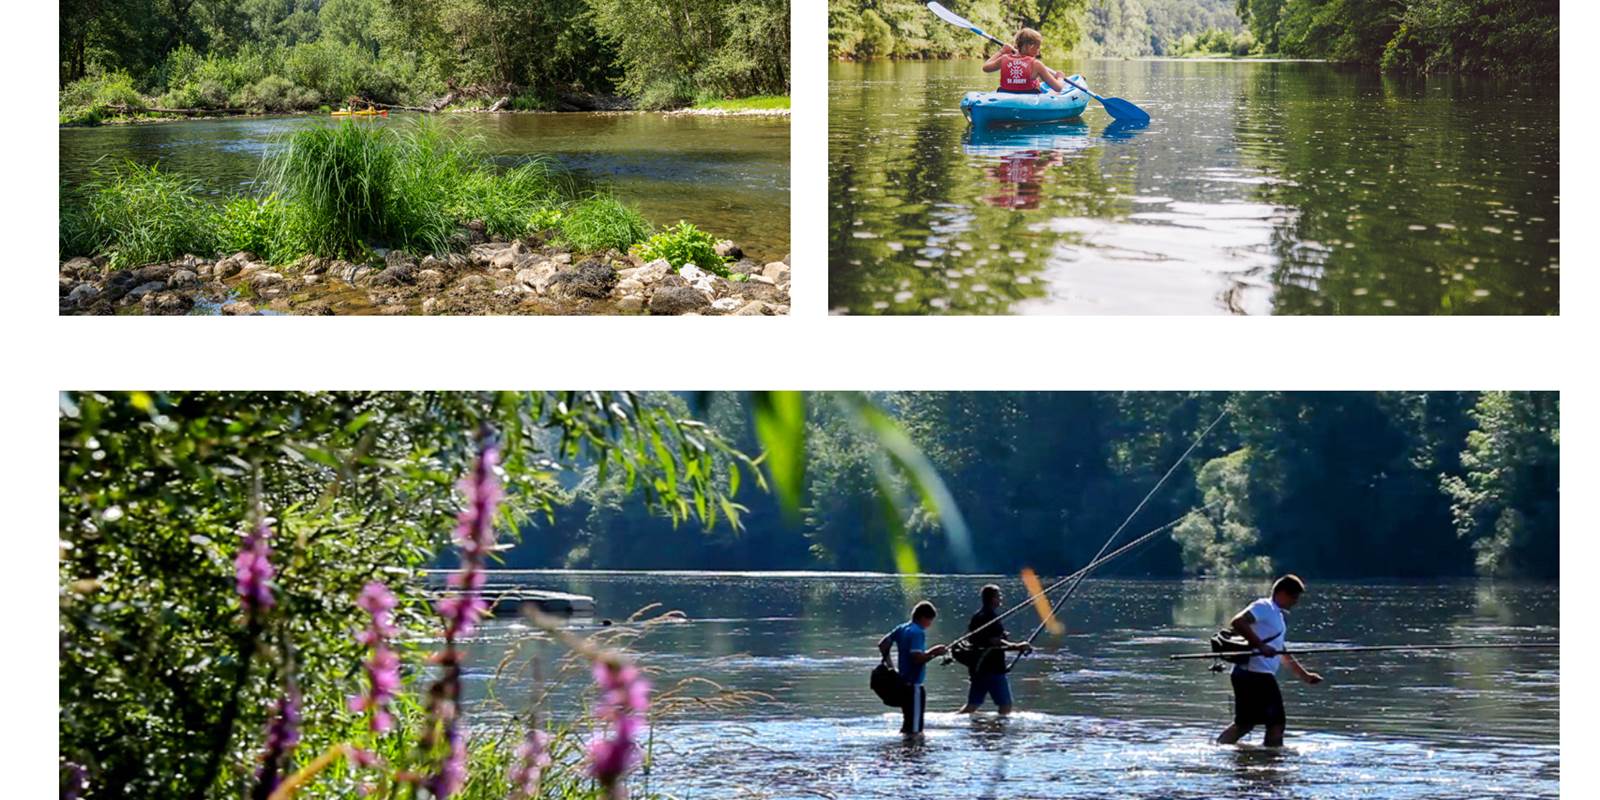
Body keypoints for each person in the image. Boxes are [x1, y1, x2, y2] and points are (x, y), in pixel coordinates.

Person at [1216, 574, 1324, 748]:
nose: (1296, 601)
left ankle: (1217, 748)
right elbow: (1237, 622)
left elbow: (1281, 651)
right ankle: (1272, 762)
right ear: (1281, 593)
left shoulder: (1278, 616)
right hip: (1255, 675)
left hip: (1250, 674)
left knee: (1245, 724)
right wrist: (1260, 646)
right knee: (1276, 723)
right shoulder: (1264, 607)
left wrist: (1305, 676)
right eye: (1294, 596)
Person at [955, 584, 1032, 715]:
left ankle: (954, 722)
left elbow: (982, 639)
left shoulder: (978, 616)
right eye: (998, 596)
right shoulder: (990, 617)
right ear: (992, 599)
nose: (1000, 599)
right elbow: (994, 642)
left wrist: (1002, 638)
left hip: (978, 668)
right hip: (992, 669)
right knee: (1005, 706)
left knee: (972, 705)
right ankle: (998, 733)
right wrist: (1017, 646)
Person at [878, 601, 948, 734]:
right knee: (915, 730)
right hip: (914, 686)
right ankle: (912, 753)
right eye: (930, 621)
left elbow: (883, 644)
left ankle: (904, 751)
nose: (930, 624)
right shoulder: (917, 632)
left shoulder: (902, 628)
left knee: (908, 724)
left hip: (902, 683)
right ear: (923, 618)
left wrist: (891, 667)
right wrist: (935, 652)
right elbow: (917, 658)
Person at [982, 28, 1068, 94]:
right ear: (1031, 46)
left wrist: (1001, 52)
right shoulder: (1036, 64)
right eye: (1037, 47)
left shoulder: (1004, 58)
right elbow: (1058, 88)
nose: (1038, 51)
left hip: (1005, 97)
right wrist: (1060, 77)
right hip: (1029, 101)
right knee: (1054, 93)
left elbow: (985, 67)